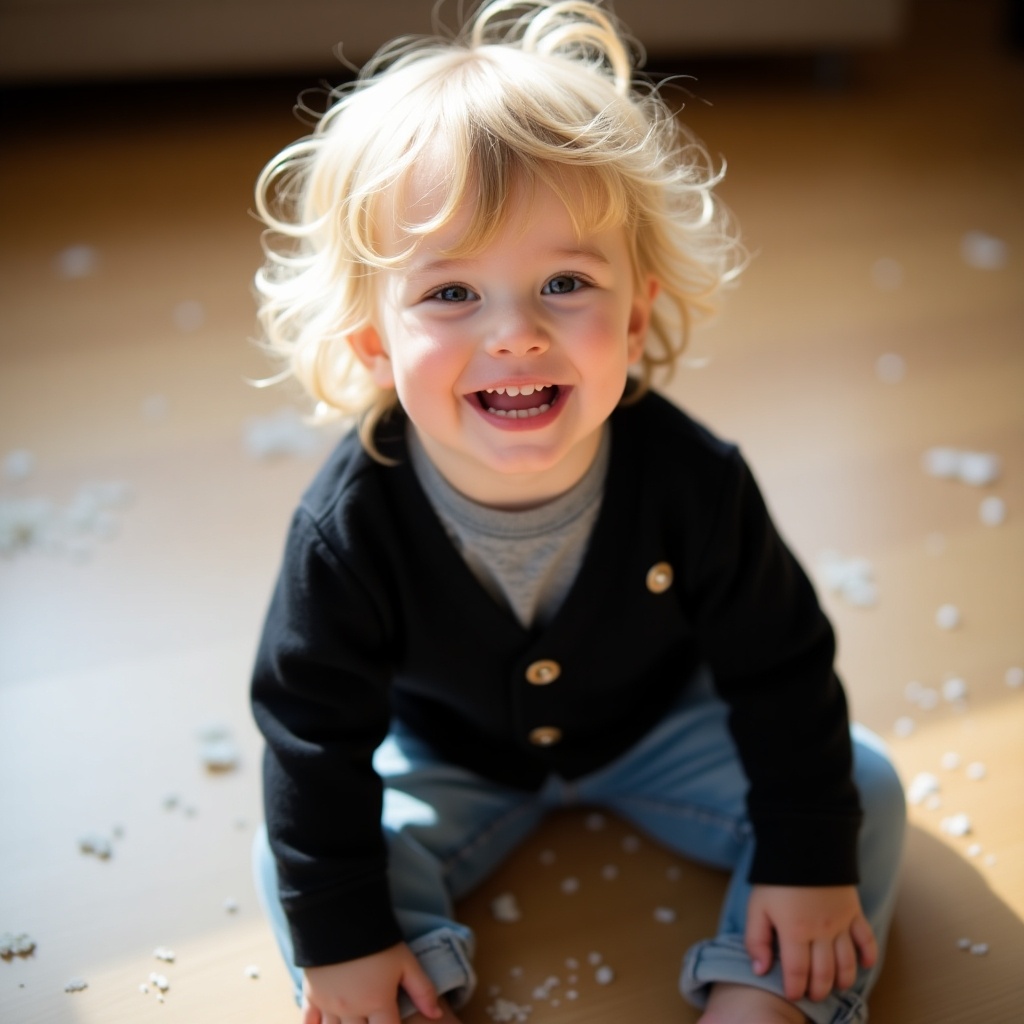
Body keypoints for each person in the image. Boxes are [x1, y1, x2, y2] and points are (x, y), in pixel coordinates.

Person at [249, 2, 906, 1022]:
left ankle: (765, 993)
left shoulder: (692, 480)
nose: (514, 334)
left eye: (564, 283)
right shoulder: (350, 526)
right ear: (373, 343)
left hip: (663, 730)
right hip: (448, 759)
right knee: (310, 851)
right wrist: (344, 937)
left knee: (856, 790)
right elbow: (310, 733)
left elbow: (780, 667)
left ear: (636, 314)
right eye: (451, 294)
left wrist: (805, 858)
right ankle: (397, 988)